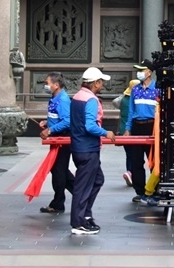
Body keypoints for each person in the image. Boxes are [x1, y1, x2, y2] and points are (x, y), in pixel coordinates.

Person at [69, 67, 115, 235]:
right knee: (83, 187)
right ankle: (78, 222)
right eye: (101, 82)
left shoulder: (77, 97)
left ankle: (86, 215)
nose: (102, 85)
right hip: (88, 149)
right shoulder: (91, 100)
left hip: (79, 147)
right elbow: (90, 126)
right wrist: (106, 133)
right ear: (95, 83)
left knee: (97, 180)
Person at [124, 59, 159, 206]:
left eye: (141, 70)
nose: (139, 73)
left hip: (152, 127)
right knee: (136, 161)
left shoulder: (158, 88)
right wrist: (128, 128)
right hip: (137, 127)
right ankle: (140, 191)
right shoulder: (135, 90)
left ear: (149, 72)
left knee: (153, 161)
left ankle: (153, 190)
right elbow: (131, 111)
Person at [38, 72, 74, 214]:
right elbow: (58, 117)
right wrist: (47, 123)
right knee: (59, 169)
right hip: (55, 137)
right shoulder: (54, 98)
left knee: (59, 170)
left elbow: (67, 121)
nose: (46, 86)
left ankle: (59, 203)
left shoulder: (63, 100)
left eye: (48, 83)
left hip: (62, 139)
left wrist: (50, 130)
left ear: (56, 85)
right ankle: (77, 193)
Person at [115, 78, 139, 187]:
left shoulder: (123, 99)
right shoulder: (135, 100)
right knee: (135, 155)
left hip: (122, 130)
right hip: (133, 130)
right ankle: (131, 173)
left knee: (128, 154)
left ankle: (129, 172)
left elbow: (115, 102)